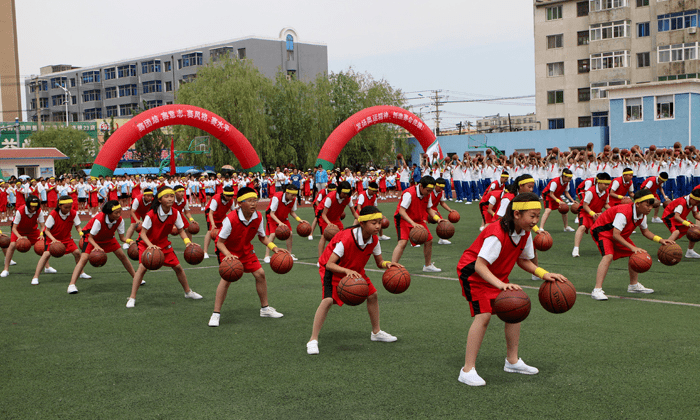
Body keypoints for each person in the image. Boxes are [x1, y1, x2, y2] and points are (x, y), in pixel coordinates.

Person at [456, 192, 568, 386]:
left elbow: (523, 260)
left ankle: (512, 361)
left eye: (537, 216)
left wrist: (543, 273)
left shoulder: (524, 233)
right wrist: (500, 284)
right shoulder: (496, 234)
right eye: (532, 216)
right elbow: (480, 266)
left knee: (515, 308)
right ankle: (467, 370)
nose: (535, 221)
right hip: (473, 273)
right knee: (483, 316)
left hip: (497, 274)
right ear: (517, 214)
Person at [307, 206, 402, 355]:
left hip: (354, 270)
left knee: (373, 295)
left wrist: (387, 264)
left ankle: (376, 332)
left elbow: (379, 262)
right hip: (333, 270)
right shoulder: (346, 238)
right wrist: (347, 271)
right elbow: (330, 264)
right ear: (362, 223)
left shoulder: (374, 239)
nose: (378, 226)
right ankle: (313, 340)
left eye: (379, 222)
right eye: (374, 223)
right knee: (327, 301)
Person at [208, 187, 286, 327]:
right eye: (249, 201)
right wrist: (228, 255)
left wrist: (274, 248)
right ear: (240, 203)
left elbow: (262, 237)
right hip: (227, 250)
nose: (253, 204)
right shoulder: (230, 219)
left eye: (255, 200)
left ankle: (265, 309)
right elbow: (219, 242)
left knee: (260, 274)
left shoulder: (258, 216)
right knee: (226, 280)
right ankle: (216, 314)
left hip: (245, 250)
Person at [590, 189, 675, 301]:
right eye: (647, 205)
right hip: (602, 232)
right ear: (638, 204)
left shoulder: (642, 214)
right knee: (608, 256)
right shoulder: (623, 213)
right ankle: (597, 290)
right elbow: (616, 235)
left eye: (651, 206)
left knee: (635, 254)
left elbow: (646, 232)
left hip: (618, 234)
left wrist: (660, 240)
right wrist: (633, 247)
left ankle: (633, 286)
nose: (650, 208)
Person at [126, 187, 202, 308]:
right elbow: (143, 234)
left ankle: (188, 292)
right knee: (142, 269)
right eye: (166, 196)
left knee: (178, 268)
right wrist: (150, 246)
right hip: (146, 243)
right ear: (160, 200)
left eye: (172, 196)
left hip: (163, 244)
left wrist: (187, 242)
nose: (170, 199)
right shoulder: (151, 214)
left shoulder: (175, 213)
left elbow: (181, 230)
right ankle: (132, 297)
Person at [68, 200, 136, 293]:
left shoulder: (120, 220)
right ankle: (71, 285)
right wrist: (96, 247)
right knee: (83, 259)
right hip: (92, 239)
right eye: (116, 213)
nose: (119, 215)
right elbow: (91, 238)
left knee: (122, 256)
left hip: (108, 238)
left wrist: (130, 241)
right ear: (108, 213)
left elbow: (122, 238)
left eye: (120, 212)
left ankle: (136, 278)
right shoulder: (99, 220)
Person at [31, 195, 89, 286]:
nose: (68, 209)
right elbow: (46, 230)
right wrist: (54, 240)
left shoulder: (73, 213)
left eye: (70, 207)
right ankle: (35, 277)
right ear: (59, 206)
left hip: (66, 238)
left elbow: (78, 227)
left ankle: (81, 273)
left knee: (77, 253)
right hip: (52, 239)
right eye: (66, 207)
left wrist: (81, 234)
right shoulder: (53, 214)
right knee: (46, 254)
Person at [391, 176, 442, 272]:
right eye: (428, 190)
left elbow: (429, 209)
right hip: (403, 219)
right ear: (421, 186)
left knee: (429, 240)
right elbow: (401, 211)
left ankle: (427, 266)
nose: (429, 192)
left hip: (417, 220)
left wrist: (438, 219)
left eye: (431, 190)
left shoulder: (428, 194)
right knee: (402, 243)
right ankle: (392, 267)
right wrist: (412, 223)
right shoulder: (409, 194)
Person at [1, 195, 53, 278]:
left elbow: (43, 226)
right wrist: (19, 237)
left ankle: (47, 267)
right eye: (32, 205)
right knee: (12, 245)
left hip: (32, 230)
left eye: (35, 206)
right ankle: (6, 269)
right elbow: (14, 228)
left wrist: (41, 234)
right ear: (28, 204)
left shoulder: (39, 211)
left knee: (43, 244)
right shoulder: (20, 210)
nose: (33, 207)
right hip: (19, 230)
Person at [263, 184, 307, 263]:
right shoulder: (277, 198)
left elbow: (292, 212)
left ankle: (289, 254)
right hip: (272, 216)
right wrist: (279, 223)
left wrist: (299, 219)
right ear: (287, 193)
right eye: (292, 195)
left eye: (295, 195)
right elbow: (271, 213)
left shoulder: (293, 199)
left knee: (290, 233)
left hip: (283, 217)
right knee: (273, 234)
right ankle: (266, 256)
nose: (293, 196)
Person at [317, 181, 359, 262]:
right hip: (325, 218)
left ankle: (337, 257)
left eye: (347, 193)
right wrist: (329, 224)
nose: (345, 195)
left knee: (342, 236)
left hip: (336, 218)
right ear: (339, 191)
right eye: (344, 193)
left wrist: (362, 220)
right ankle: (320, 259)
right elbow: (323, 215)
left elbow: (354, 212)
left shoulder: (347, 199)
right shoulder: (330, 197)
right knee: (324, 236)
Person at [572, 173, 611, 257]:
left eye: (608, 184)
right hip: (585, 212)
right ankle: (576, 249)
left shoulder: (606, 191)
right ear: (599, 183)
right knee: (582, 227)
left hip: (597, 213)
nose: (607, 186)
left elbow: (605, 204)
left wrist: (611, 210)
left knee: (605, 229)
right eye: (605, 184)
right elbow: (585, 205)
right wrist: (592, 213)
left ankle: (607, 248)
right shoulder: (590, 191)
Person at [662, 187, 700, 258]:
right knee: (676, 232)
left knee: (695, 231)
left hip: (680, 217)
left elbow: (695, 215)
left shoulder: (694, 202)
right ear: (692, 199)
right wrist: (688, 224)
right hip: (669, 217)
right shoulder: (682, 202)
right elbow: (676, 216)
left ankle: (690, 252)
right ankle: (663, 253)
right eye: (697, 202)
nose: (698, 204)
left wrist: (689, 224)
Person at [202, 186, 235, 259]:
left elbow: (233, 212)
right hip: (211, 215)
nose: (230, 197)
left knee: (224, 232)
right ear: (224, 195)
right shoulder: (216, 199)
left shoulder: (231, 201)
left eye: (231, 196)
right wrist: (213, 225)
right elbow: (211, 213)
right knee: (210, 231)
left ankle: (221, 250)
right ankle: (205, 252)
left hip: (222, 215)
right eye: (228, 196)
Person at [430, 178, 456, 245]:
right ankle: (415, 240)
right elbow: (424, 204)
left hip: (434, 210)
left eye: (443, 188)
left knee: (443, 222)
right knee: (421, 223)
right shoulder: (429, 191)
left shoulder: (440, 192)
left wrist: (449, 210)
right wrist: (431, 210)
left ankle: (442, 239)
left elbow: (442, 203)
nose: (442, 189)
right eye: (440, 188)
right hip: (425, 209)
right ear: (436, 185)